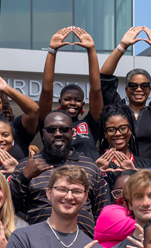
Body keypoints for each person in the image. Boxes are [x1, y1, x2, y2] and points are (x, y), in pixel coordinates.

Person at [8, 111, 109, 237]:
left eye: (64, 129)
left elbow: (102, 215)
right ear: (43, 134)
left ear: (72, 133)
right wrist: (24, 177)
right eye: (51, 130)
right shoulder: (26, 166)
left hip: (83, 246)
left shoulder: (91, 167)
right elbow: (8, 209)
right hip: (39, 247)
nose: (57, 134)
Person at [99, 26, 151, 159]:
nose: (138, 89)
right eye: (133, 86)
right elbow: (104, 78)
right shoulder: (118, 109)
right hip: (119, 172)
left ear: (149, 90)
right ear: (126, 90)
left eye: (144, 86)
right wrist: (122, 46)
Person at [38, 27, 104, 159]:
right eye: (68, 99)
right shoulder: (50, 122)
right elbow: (46, 91)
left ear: (83, 104)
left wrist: (91, 50)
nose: (72, 103)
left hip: (85, 174)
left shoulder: (89, 124)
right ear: (60, 102)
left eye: (77, 100)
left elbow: (96, 90)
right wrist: (52, 51)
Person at [96, 103, 151, 186]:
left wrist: (136, 174)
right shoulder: (93, 159)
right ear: (105, 133)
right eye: (111, 130)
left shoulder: (147, 165)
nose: (117, 133)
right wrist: (94, 171)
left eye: (123, 128)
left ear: (130, 130)